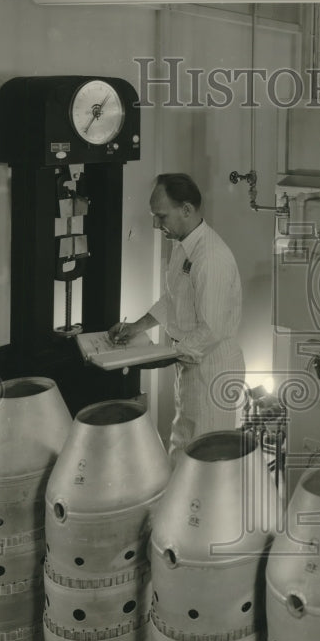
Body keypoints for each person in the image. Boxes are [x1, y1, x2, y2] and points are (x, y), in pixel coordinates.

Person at [109, 173, 245, 454]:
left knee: (203, 461)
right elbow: (174, 297)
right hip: (191, 366)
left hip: (211, 373)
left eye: (161, 216)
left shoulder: (211, 259)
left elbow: (211, 330)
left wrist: (160, 356)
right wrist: (137, 326)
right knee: (184, 449)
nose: (156, 225)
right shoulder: (184, 246)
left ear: (186, 209)